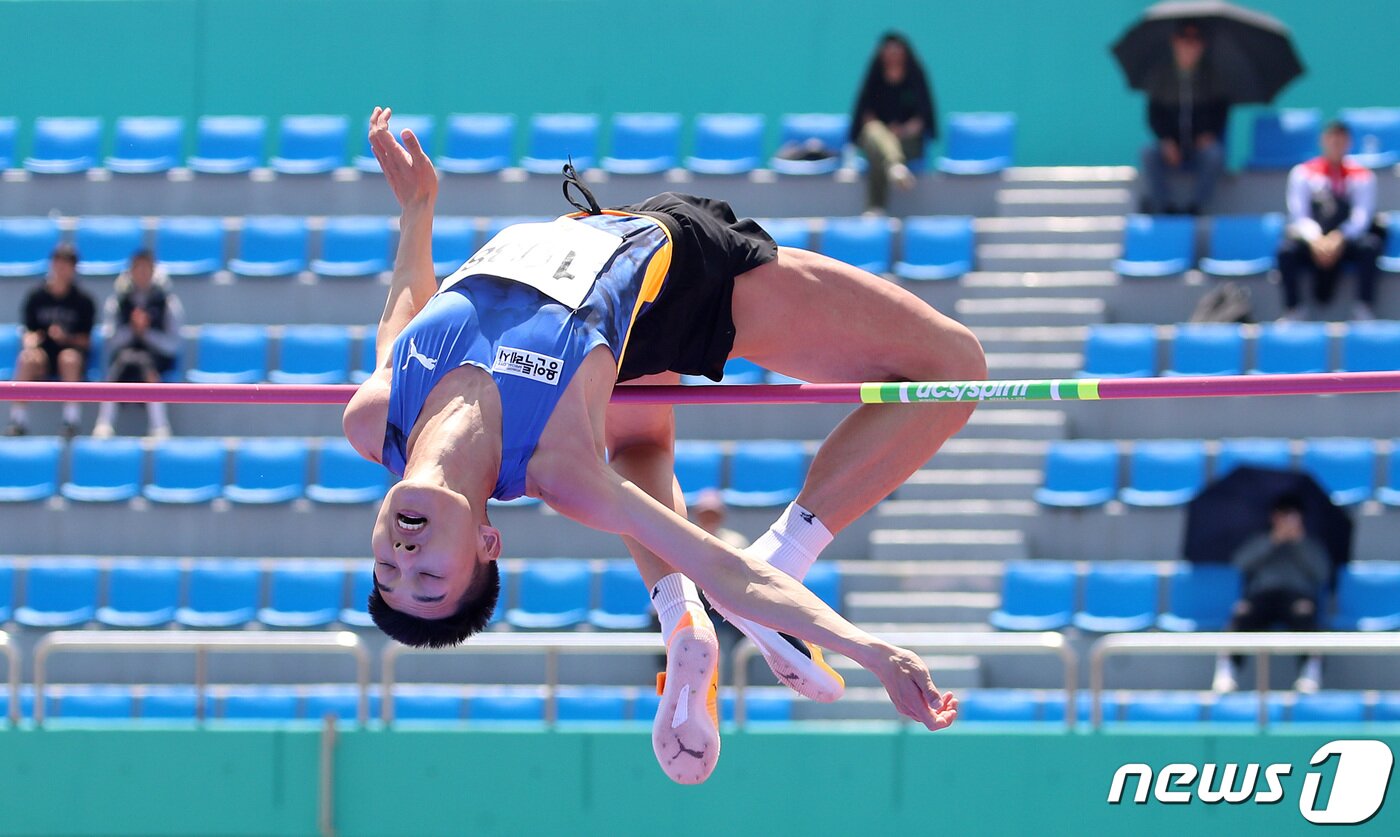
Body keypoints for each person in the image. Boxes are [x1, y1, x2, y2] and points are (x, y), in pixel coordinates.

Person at [343, 108, 982, 783]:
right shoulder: (559, 466)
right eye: (430, 579)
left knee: (643, 443)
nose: (406, 558)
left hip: (610, 298)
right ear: (485, 542)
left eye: (388, 571)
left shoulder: (376, 417)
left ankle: (684, 618)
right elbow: (729, 569)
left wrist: (418, 207)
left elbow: (403, 319)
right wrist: (871, 650)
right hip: (689, 282)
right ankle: (783, 554)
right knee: (955, 368)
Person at [1212, 494, 1330, 694]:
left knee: (1305, 613)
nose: (1286, 521)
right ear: (1273, 517)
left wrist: (1298, 543)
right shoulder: (1260, 539)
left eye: (1291, 515)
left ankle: (1309, 673)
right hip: (1262, 597)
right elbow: (1240, 563)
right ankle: (1227, 672)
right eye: (1282, 515)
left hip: (1296, 597)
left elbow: (1322, 573)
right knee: (1242, 614)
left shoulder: (1309, 544)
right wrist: (1273, 541)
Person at [1276, 121, 1383, 322]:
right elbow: (1299, 215)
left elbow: (1361, 217)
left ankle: (1363, 308)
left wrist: (1338, 238)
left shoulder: (1363, 176)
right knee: (1285, 250)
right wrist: (1316, 240)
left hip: (1345, 242)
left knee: (1370, 246)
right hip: (1313, 242)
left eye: (1341, 139)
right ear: (1323, 141)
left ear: (1349, 142)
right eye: (1332, 138)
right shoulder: (1303, 173)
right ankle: (1293, 309)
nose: (1336, 143)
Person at [1138, 21, 1229, 215]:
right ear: (1175, 42)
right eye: (1184, 39)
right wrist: (1166, 140)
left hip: (1199, 148)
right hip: (1171, 147)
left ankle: (1197, 206)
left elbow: (1221, 112)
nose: (1189, 45)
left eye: (1195, 40)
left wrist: (1208, 134)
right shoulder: (1161, 76)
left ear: (1202, 45)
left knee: (1214, 154)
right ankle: (1164, 206)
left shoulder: (1213, 77)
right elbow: (1153, 114)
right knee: (1148, 153)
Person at [7, 243, 96, 438]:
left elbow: (86, 340)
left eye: (67, 264)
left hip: (70, 358)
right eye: (58, 263)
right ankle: (17, 421)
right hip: (44, 358)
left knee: (69, 358)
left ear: (74, 268)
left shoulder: (83, 301)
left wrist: (66, 338)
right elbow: (28, 330)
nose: (61, 269)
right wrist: (31, 340)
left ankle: (70, 421)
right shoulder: (36, 297)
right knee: (27, 357)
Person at [92, 249, 184, 439]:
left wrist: (146, 334)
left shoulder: (168, 303)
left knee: (144, 361)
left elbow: (173, 344)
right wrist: (132, 330)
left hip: (157, 360)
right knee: (123, 360)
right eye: (137, 268)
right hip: (124, 360)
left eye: (146, 268)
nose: (142, 273)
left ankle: (159, 426)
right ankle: (104, 424)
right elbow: (110, 341)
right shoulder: (118, 302)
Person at [848, 32, 937, 215]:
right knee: (875, 132)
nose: (893, 56)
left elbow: (923, 118)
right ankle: (895, 166)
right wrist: (886, 133)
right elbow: (866, 117)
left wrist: (903, 130)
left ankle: (876, 207)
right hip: (878, 137)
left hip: (908, 142)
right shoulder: (874, 80)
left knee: (878, 152)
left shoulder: (915, 77)